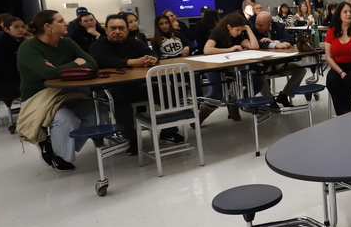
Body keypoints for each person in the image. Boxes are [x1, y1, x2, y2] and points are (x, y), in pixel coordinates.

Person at [16, 10, 100, 171]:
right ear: (48, 27)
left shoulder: (68, 43)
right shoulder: (28, 48)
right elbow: (49, 74)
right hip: (39, 95)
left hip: (68, 92)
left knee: (97, 115)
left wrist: (60, 69)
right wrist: (76, 63)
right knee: (67, 120)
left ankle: (55, 146)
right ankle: (59, 155)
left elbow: (93, 64)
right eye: (61, 21)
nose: (66, 23)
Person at [91, 15, 183, 154]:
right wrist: (133, 62)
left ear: (127, 31)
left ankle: (169, 131)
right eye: (113, 28)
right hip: (111, 89)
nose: (117, 31)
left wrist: (153, 59)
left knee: (165, 87)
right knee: (118, 98)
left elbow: (150, 52)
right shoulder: (97, 45)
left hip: (137, 86)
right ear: (106, 30)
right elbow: (101, 61)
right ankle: (132, 139)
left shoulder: (134, 42)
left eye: (121, 28)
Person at [201, 13, 259, 123]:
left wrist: (248, 29)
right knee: (219, 94)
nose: (239, 33)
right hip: (214, 68)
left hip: (232, 69)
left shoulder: (237, 36)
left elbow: (254, 46)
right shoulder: (217, 33)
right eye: (237, 30)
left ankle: (235, 102)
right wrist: (229, 49)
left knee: (257, 83)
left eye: (241, 30)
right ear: (229, 27)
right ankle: (200, 117)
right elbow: (207, 49)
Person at [251, 11, 307, 108]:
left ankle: (284, 95)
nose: (257, 27)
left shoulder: (279, 27)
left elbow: (291, 39)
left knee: (300, 71)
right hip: (263, 65)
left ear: (270, 24)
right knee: (259, 75)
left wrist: (274, 41)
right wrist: (275, 45)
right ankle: (270, 100)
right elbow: (256, 44)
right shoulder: (253, 29)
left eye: (261, 25)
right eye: (256, 24)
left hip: (279, 62)